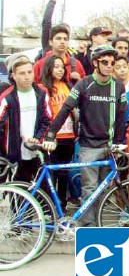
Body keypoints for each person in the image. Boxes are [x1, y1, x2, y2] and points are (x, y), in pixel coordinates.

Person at [43, 45, 127, 227]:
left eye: (112, 63)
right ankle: (88, 226)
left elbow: (122, 116)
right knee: (89, 188)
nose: (109, 66)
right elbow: (65, 109)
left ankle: (98, 223)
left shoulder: (118, 87)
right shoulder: (84, 84)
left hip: (110, 145)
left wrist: (120, 142)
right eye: (104, 62)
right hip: (89, 145)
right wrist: (50, 134)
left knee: (104, 189)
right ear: (95, 63)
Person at [0, 58, 51, 182]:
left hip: (37, 151)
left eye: (29, 72)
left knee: (42, 191)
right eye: (22, 73)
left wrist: (38, 138)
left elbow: (47, 120)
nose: (27, 77)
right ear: (14, 76)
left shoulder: (42, 93)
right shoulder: (7, 97)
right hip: (15, 153)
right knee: (18, 192)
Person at [40, 55, 76, 209]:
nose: (60, 70)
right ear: (49, 68)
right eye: (56, 66)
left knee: (64, 173)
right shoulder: (43, 88)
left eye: (62, 67)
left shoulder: (68, 86)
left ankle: (62, 204)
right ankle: (49, 208)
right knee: (51, 174)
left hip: (69, 136)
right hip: (52, 137)